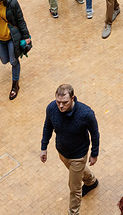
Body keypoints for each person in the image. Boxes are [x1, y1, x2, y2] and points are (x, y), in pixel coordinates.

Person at [40, 83, 101, 214]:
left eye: (65, 102)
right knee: (77, 171)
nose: (61, 106)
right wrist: (43, 147)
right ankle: (91, 181)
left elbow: (95, 133)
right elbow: (47, 127)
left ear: (73, 98)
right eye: (58, 102)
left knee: (74, 188)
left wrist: (94, 153)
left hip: (78, 155)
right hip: (62, 152)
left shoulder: (86, 113)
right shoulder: (51, 108)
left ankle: (73, 213)